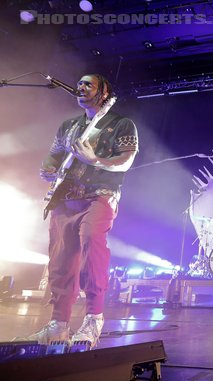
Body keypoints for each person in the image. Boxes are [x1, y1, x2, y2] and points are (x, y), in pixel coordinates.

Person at [21, 74, 138, 347]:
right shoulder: (69, 125)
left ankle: (93, 318)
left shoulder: (121, 124)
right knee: (60, 260)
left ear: (104, 92)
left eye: (89, 84)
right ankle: (58, 324)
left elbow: (126, 160)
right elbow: (54, 153)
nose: (81, 87)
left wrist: (95, 159)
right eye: (80, 83)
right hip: (65, 198)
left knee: (91, 244)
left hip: (100, 196)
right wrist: (48, 168)